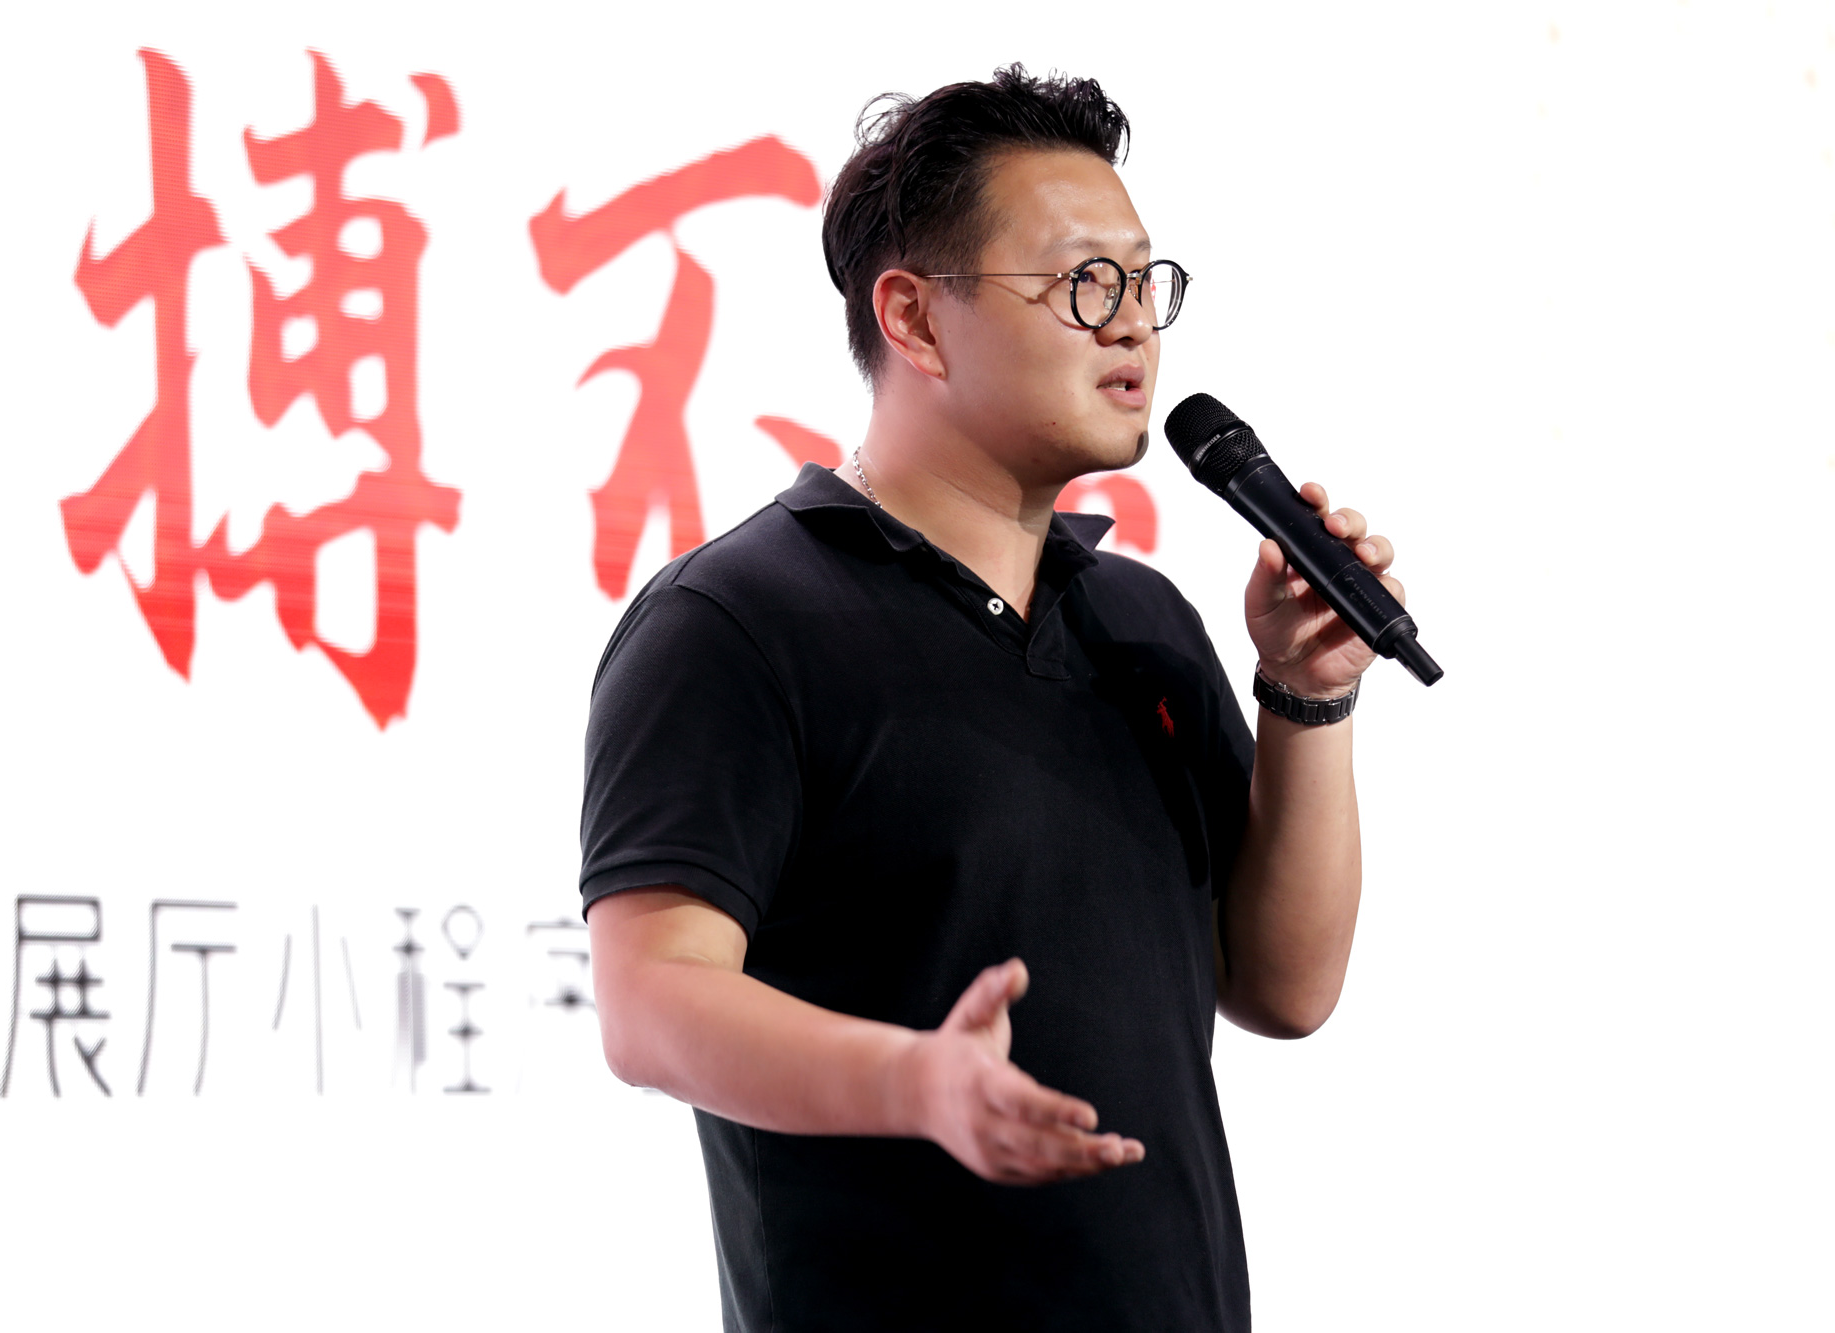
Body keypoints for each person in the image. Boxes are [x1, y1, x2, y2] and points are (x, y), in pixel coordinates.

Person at [580, 66, 1405, 1332]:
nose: (1131, 327)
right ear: (913, 320)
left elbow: (1282, 987)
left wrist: (1304, 697)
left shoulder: (1139, 623)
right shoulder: (734, 620)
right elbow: (648, 1004)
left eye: (1143, 283)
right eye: (1083, 282)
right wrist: (913, 1083)